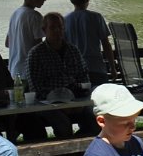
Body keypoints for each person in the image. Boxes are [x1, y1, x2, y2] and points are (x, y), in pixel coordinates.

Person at [26, 11, 95, 139]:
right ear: (44, 30)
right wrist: (61, 100)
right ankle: (66, 150)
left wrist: (76, 98)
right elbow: (36, 88)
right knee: (63, 124)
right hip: (47, 104)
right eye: (53, 28)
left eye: (60, 27)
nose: (57, 31)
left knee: (95, 119)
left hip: (75, 101)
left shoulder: (73, 50)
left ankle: (81, 148)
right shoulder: (35, 54)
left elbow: (84, 78)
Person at [64, 0, 115, 85]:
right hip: (96, 68)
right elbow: (106, 44)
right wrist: (112, 67)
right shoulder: (96, 17)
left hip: (75, 70)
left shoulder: (65, 20)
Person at [6, 0, 48, 88]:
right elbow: (39, 48)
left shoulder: (15, 13)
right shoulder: (35, 16)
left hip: (14, 71)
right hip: (29, 72)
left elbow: (7, 43)